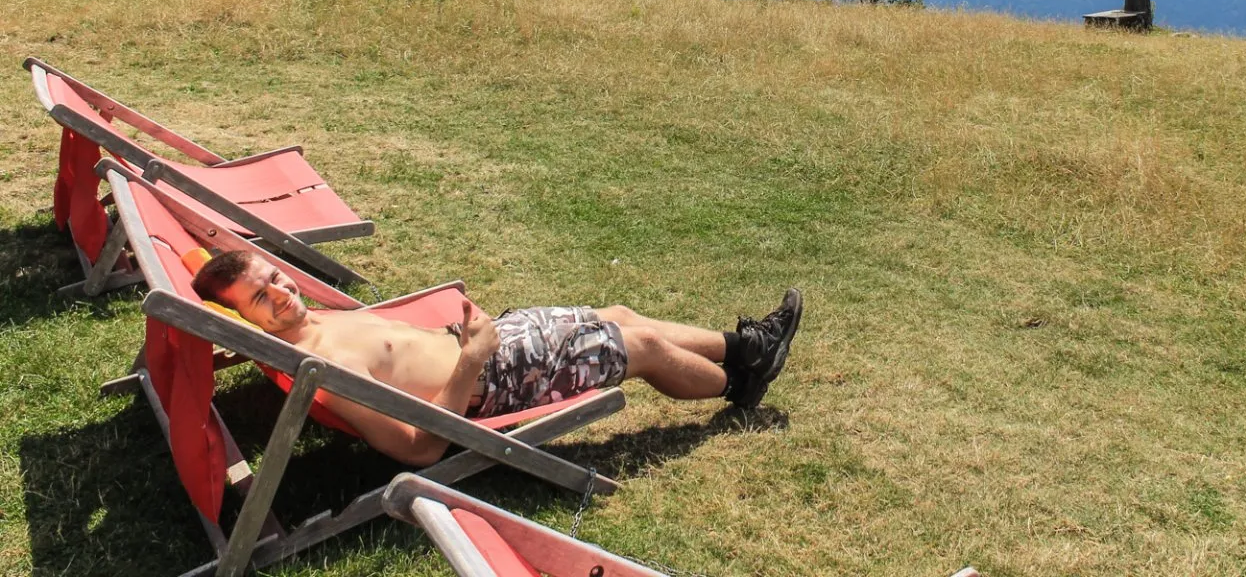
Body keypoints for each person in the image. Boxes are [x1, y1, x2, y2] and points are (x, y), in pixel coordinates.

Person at [190, 250, 801, 466]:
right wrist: (472, 359)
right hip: (493, 382)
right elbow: (418, 449)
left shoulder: (314, 320)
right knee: (636, 348)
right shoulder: (325, 368)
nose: (281, 295)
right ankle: (739, 386)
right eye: (261, 299)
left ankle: (749, 346)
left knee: (615, 314)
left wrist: (474, 340)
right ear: (245, 318)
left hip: (485, 347)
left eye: (276, 279)